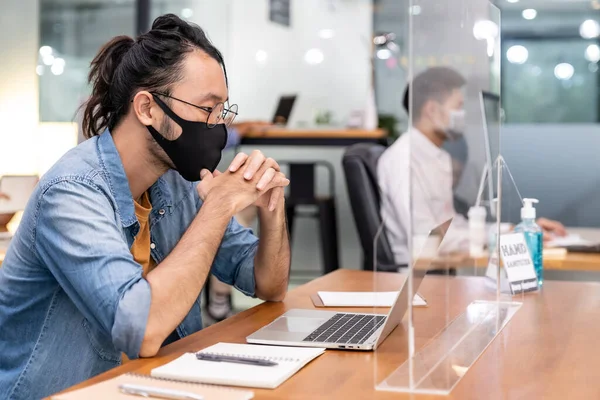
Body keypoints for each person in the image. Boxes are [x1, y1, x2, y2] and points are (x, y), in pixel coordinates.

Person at [0, 14, 291, 399]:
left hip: (149, 385)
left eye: (223, 111)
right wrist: (219, 207)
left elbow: (268, 283)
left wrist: (272, 209)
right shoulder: (72, 192)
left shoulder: (176, 183)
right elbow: (144, 327)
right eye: (208, 109)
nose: (217, 125)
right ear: (147, 108)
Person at [378, 67, 566, 265]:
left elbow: (452, 226)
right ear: (432, 110)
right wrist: (505, 235)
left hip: (445, 268)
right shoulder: (403, 160)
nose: (463, 115)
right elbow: (428, 238)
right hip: (416, 278)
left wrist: (517, 230)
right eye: (458, 107)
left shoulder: (435, 156)